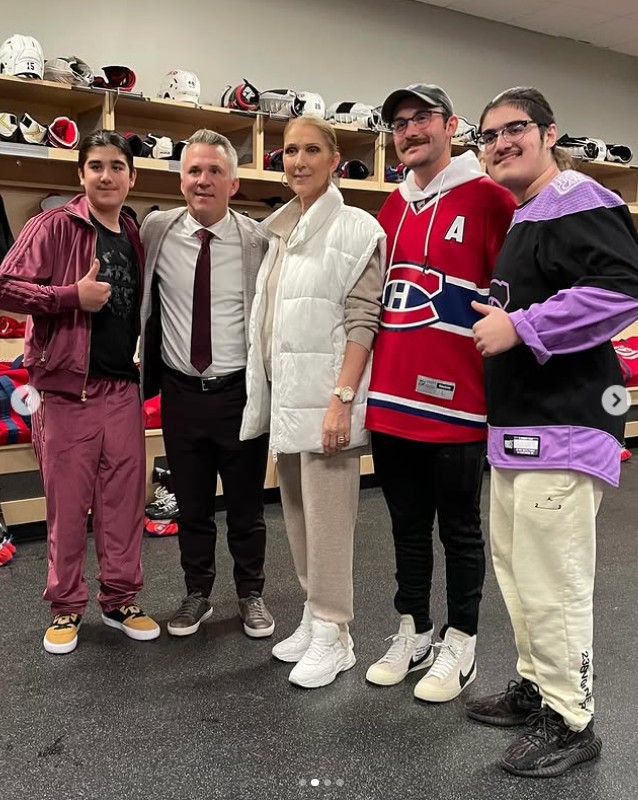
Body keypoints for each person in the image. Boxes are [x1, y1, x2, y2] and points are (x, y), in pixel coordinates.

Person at [467, 86, 638, 778]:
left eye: (514, 129)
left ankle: (571, 720)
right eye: (489, 135)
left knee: (553, 581)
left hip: (563, 427)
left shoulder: (576, 195)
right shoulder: (528, 213)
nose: (501, 142)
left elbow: (625, 285)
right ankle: (539, 688)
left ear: (548, 133)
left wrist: (523, 326)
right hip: (521, 428)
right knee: (517, 572)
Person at [364, 84, 516, 701]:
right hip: (392, 399)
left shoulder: (489, 198)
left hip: (458, 404)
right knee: (404, 526)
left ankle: (464, 640)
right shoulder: (389, 209)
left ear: (451, 125)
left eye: (421, 118)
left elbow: (514, 299)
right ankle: (414, 628)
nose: (409, 131)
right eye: (399, 123)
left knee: (458, 528)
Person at [0, 130, 160, 654]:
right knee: (68, 508)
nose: (107, 176)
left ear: (131, 176)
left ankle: (120, 600)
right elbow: (5, 284)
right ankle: (66, 607)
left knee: (122, 505)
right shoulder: (53, 224)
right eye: (96, 166)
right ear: (82, 174)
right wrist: (72, 296)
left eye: (117, 166)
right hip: (70, 392)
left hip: (122, 389)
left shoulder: (134, 232)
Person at [240, 115, 385, 689]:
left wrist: (341, 400)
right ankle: (314, 615)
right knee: (298, 517)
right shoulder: (283, 231)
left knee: (329, 523)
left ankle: (336, 630)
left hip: (327, 402)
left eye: (310, 151)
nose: (297, 161)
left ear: (334, 158)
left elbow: (362, 320)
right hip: (288, 399)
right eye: (289, 151)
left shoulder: (356, 229)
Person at [139, 129, 273, 639]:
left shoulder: (258, 240)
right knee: (191, 505)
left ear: (233, 183)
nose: (203, 180)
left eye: (215, 171)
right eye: (194, 170)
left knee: (246, 507)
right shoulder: (155, 230)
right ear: (180, 179)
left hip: (238, 394)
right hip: (179, 393)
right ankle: (197, 593)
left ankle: (251, 593)